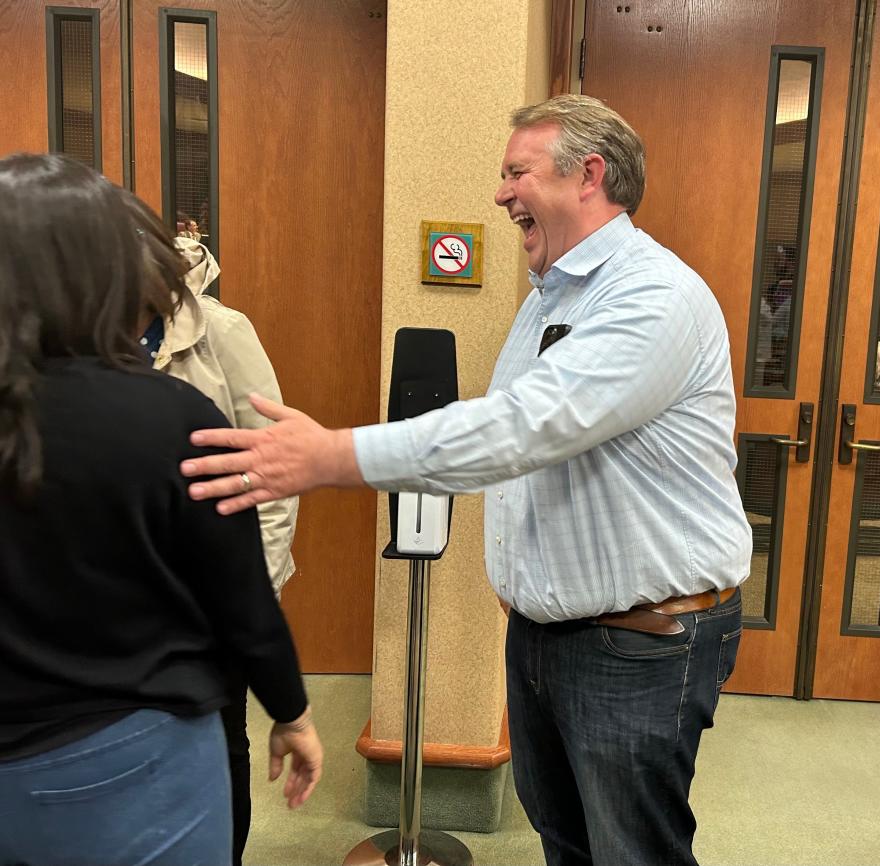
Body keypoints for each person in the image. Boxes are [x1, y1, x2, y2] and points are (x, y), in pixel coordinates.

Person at [180, 94, 752, 866]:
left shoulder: (653, 297)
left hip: (640, 643)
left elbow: (519, 429)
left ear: (588, 175)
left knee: (632, 852)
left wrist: (332, 457)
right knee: (568, 843)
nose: (500, 193)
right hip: (549, 636)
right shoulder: (551, 295)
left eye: (517, 172)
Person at [0, 153, 323, 866]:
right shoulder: (166, 416)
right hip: (132, 753)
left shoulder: (213, 346)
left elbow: (265, 486)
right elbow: (239, 596)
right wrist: (293, 711)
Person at [133, 211, 300, 866]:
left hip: (213, 591)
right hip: (131, 595)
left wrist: (253, 592)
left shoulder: (221, 332)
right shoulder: (70, 339)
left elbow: (273, 473)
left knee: (221, 742)